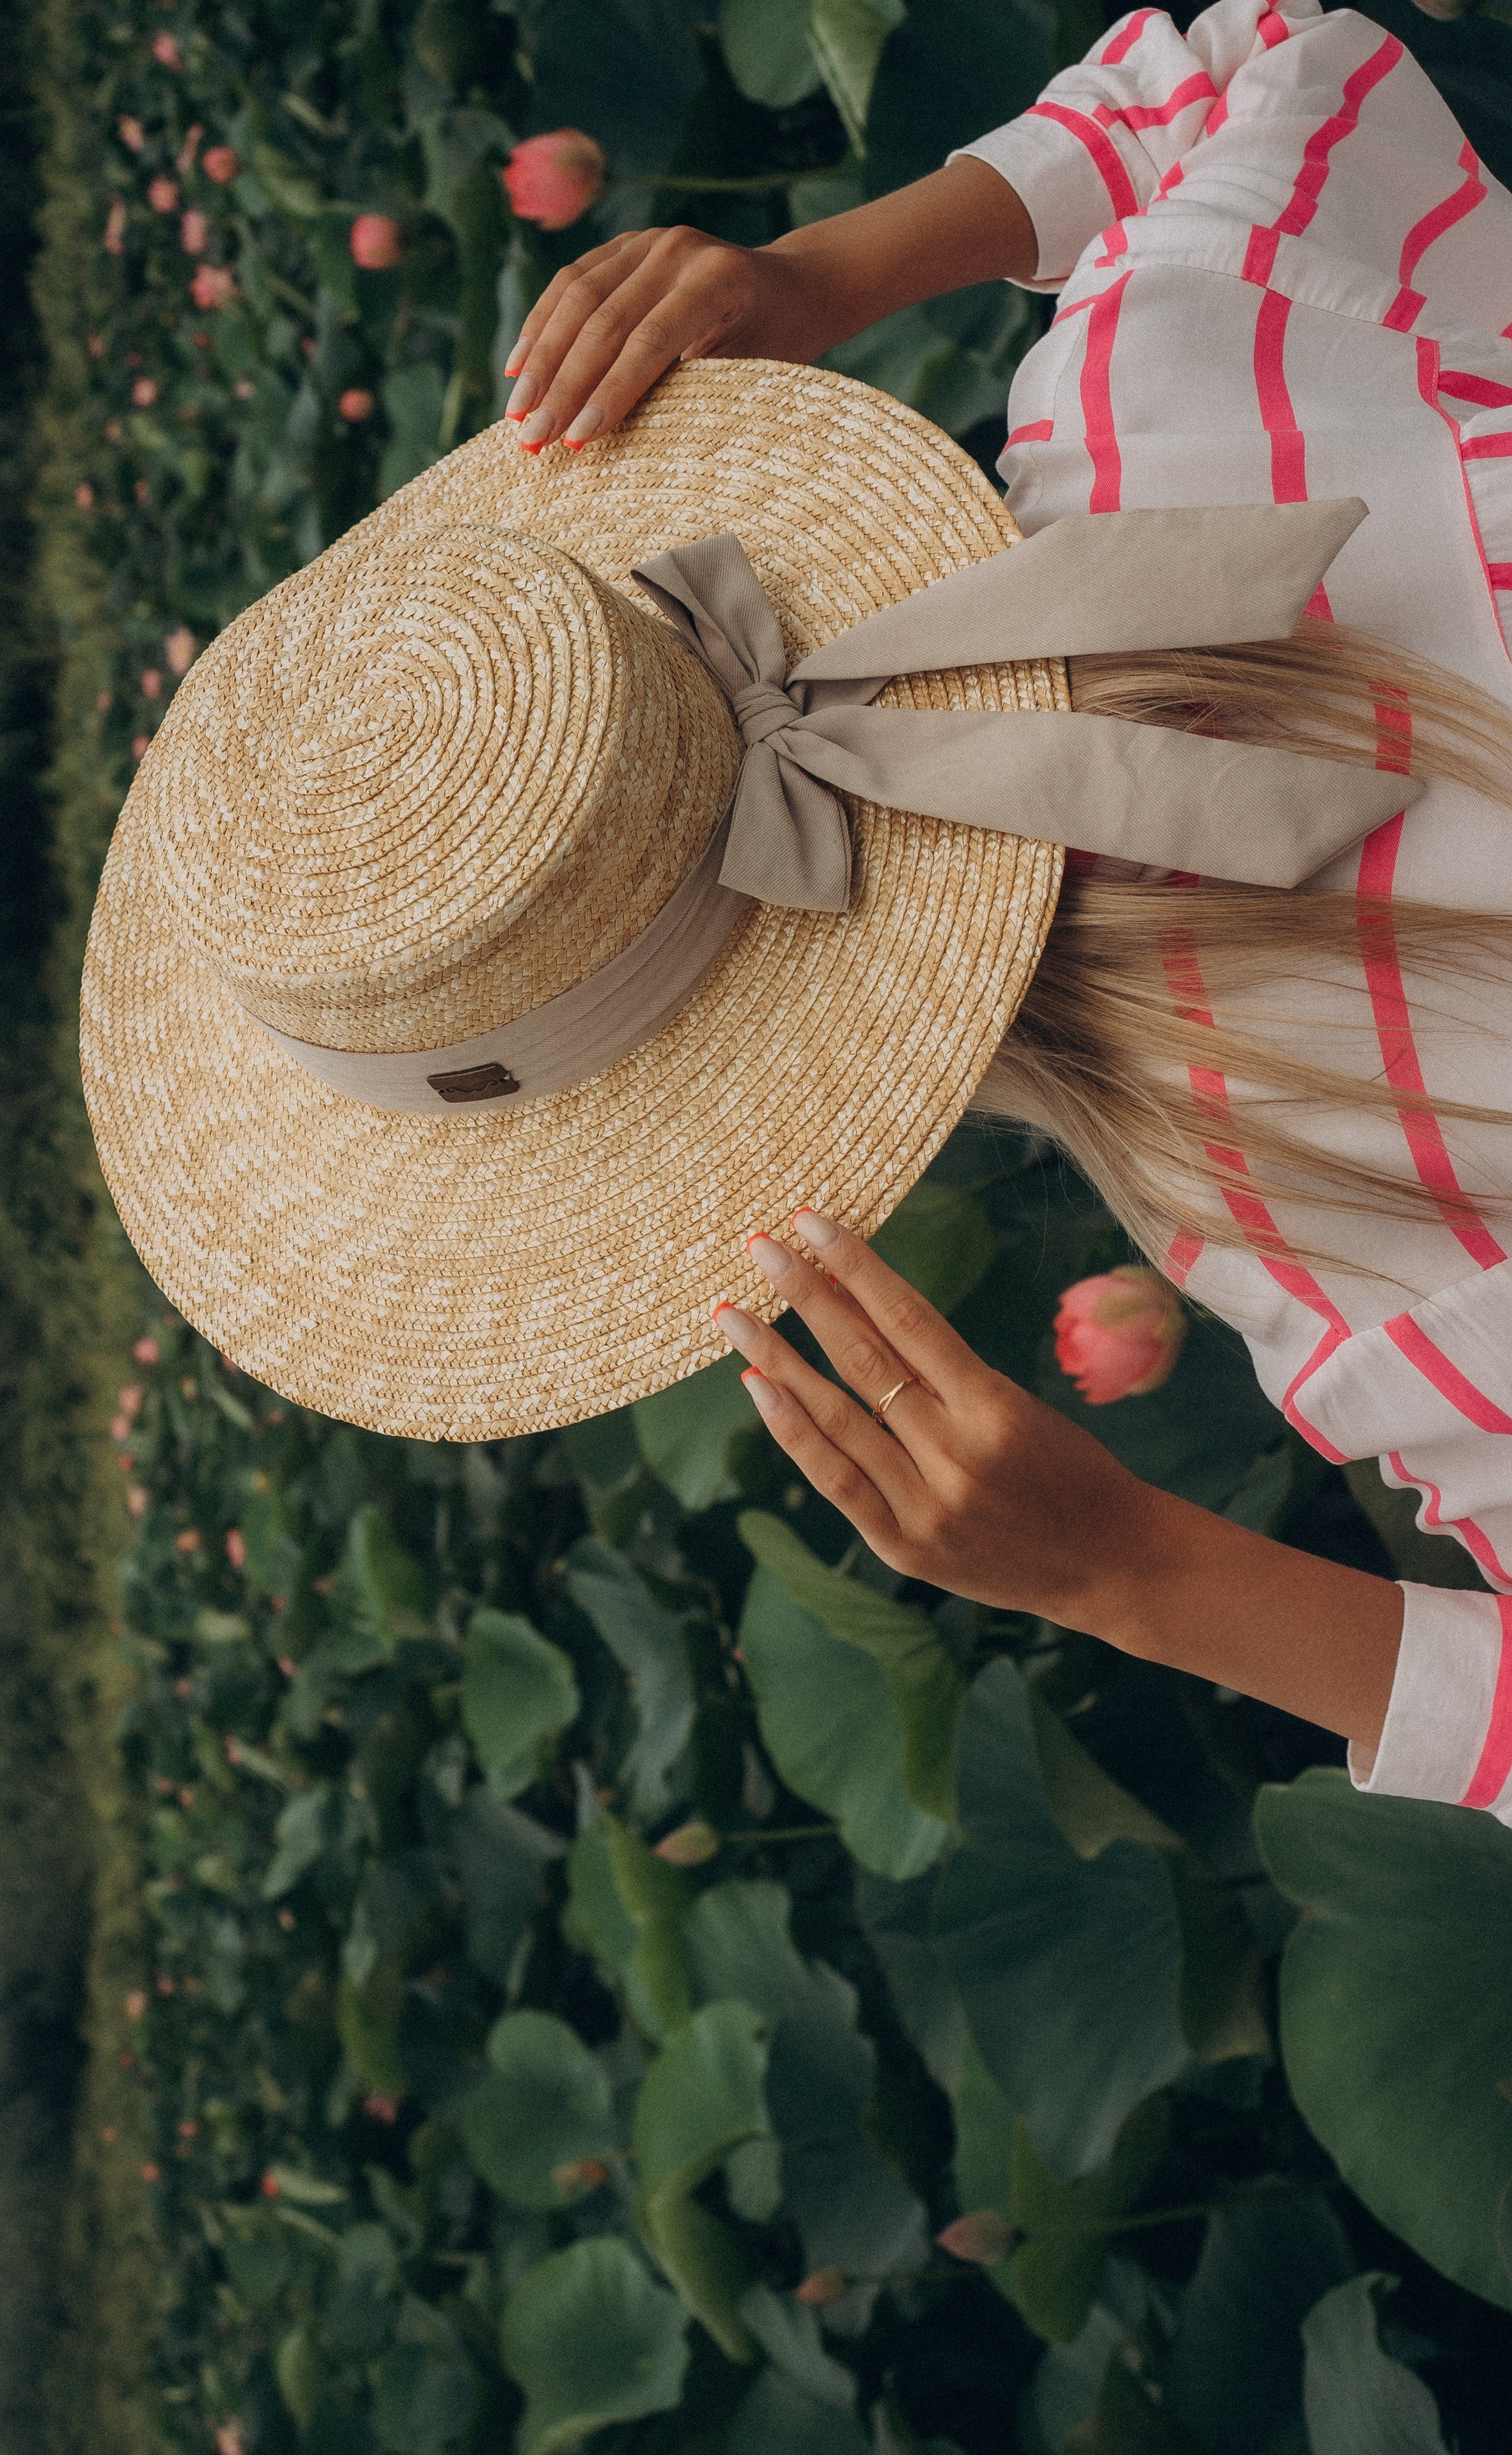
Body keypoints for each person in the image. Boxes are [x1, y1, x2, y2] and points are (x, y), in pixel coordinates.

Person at [497, 0, 1512, 1818]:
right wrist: (823, 276)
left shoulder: (1319, 1222)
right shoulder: (1162, 362)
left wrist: (1140, 1576)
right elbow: (1279, 55)